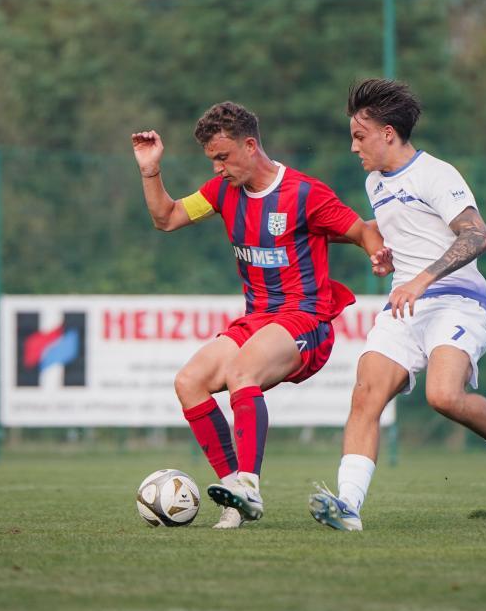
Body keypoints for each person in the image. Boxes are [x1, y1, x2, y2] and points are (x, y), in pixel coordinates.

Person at [309, 79, 486, 532]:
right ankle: (347, 506)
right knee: (366, 394)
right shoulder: (374, 183)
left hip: (456, 302)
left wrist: (422, 279)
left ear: (388, 133)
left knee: (443, 397)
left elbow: (478, 235)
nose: (353, 147)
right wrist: (382, 253)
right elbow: (401, 228)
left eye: (359, 135)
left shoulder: (436, 174)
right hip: (405, 307)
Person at [131, 101, 388, 529]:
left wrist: (376, 253)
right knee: (189, 381)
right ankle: (237, 497)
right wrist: (150, 169)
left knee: (242, 370)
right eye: (212, 159)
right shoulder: (221, 193)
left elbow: (361, 229)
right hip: (257, 319)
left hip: (305, 319)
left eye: (222, 157)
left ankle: (248, 483)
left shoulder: (306, 193)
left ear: (250, 146)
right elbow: (167, 218)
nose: (217, 169)